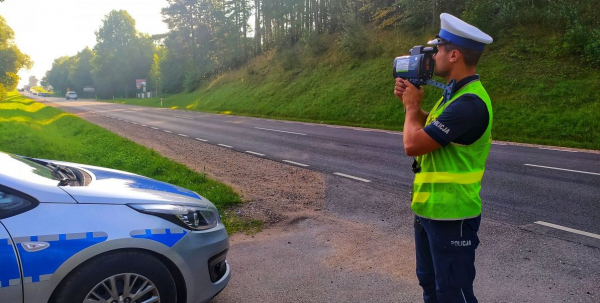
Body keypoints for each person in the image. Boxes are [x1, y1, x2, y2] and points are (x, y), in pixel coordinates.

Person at [394, 13, 494, 303]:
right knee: (431, 286)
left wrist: (412, 108)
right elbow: (435, 128)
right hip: (430, 213)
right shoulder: (453, 96)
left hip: (453, 216)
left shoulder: (469, 103)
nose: (432, 55)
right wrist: (412, 107)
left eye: (437, 49)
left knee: (453, 294)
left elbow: (413, 144)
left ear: (453, 55)